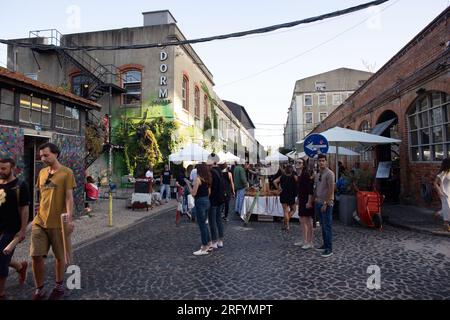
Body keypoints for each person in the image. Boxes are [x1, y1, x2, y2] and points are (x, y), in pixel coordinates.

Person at [31, 143, 76, 300]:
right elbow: (40, 193)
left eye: (46, 155)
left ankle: (58, 286)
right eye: (41, 156)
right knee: (36, 255)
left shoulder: (67, 173)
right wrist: (37, 209)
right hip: (40, 221)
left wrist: (69, 219)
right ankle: (39, 289)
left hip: (59, 223)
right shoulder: (42, 172)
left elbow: (69, 197)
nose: (42, 158)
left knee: (60, 257)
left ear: (56, 154)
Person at [0, 158, 30, 299]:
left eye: (4, 169)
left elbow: (24, 209)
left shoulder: (20, 185)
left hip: (11, 229)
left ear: (12, 168)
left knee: (2, 260)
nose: (1, 171)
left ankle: (1, 293)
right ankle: (20, 267)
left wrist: (23, 230)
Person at [185, 163, 212, 256]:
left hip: (200, 202)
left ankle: (205, 247)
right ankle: (209, 243)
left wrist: (188, 184)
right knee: (205, 224)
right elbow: (209, 192)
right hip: (207, 201)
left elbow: (193, 193)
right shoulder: (207, 179)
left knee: (202, 225)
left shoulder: (198, 179)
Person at [313, 154, 335, 258]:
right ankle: (325, 245)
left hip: (326, 204)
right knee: (322, 225)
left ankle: (329, 249)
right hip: (318, 202)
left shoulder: (330, 173)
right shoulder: (318, 174)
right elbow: (317, 188)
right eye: (319, 161)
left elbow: (331, 189)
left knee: (327, 226)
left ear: (326, 161)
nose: (321, 162)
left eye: (323, 161)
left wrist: (326, 203)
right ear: (317, 162)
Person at [294, 158, 314, 249]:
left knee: (308, 221)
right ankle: (304, 240)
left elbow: (310, 189)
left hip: (306, 200)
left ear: (303, 164)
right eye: (296, 162)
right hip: (302, 199)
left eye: (300, 162)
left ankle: (309, 242)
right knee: (302, 220)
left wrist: (309, 202)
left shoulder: (306, 174)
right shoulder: (300, 174)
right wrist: (298, 198)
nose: (297, 164)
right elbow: (300, 188)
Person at [207, 154, 226, 249]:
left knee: (212, 221)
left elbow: (210, 187)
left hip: (213, 199)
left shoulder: (211, 172)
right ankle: (220, 240)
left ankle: (214, 241)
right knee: (218, 220)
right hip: (220, 198)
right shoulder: (220, 170)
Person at [274, 164, 298, 231]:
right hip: (291, 195)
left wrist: (279, 188)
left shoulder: (282, 176)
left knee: (285, 211)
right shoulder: (294, 177)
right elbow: (299, 182)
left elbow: (274, 182)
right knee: (293, 209)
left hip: (283, 195)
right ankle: (286, 223)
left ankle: (286, 224)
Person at [433, 158, 450, 232]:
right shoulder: (443, 173)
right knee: (447, 207)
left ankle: (438, 213)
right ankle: (445, 224)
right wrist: (439, 191)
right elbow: (435, 183)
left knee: (448, 207)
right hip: (444, 193)